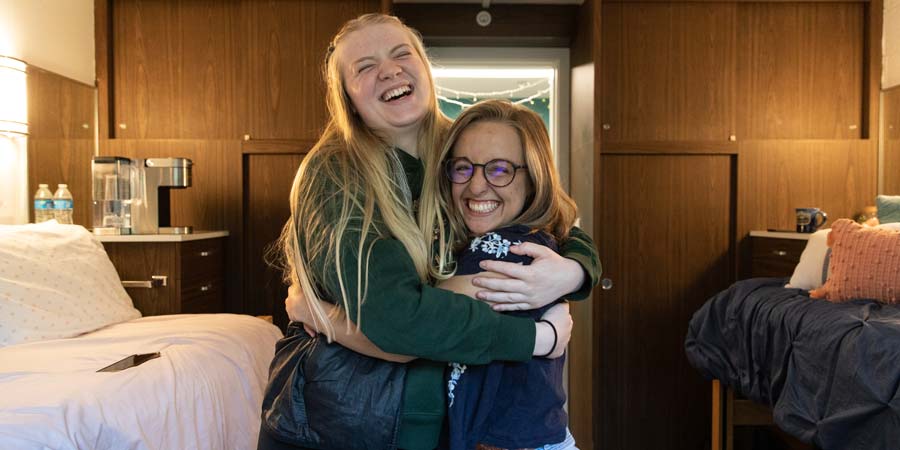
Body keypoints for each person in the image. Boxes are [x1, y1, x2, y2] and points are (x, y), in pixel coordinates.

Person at [258, 13, 599, 450]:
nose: (389, 70)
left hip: (441, 426)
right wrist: (535, 338)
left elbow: (555, 214)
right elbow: (398, 324)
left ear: (423, 65)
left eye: (402, 54)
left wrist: (573, 272)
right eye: (365, 66)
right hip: (339, 424)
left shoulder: (461, 147)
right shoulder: (334, 174)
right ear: (347, 95)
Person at [436, 99, 581, 450]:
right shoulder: (495, 241)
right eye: (463, 168)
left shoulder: (509, 246)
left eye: (499, 170)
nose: (476, 186)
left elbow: (421, 311)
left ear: (533, 178)